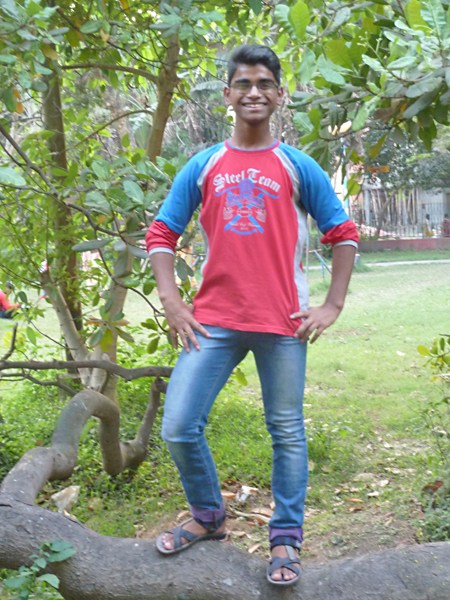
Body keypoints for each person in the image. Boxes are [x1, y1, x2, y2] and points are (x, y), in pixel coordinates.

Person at [145, 44, 359, 586]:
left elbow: (343, 233)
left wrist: (332, 304)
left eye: (265, 83)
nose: (254, 92)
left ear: (280, 94)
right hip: (212, 321)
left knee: (286, 431)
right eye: (243, 83)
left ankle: (285, 539)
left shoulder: (297, 165)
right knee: (179, 426)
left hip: (283, 323)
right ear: (228, 94)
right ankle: (209, 516)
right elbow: (161, 234)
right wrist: (173, 302)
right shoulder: (203, 165)